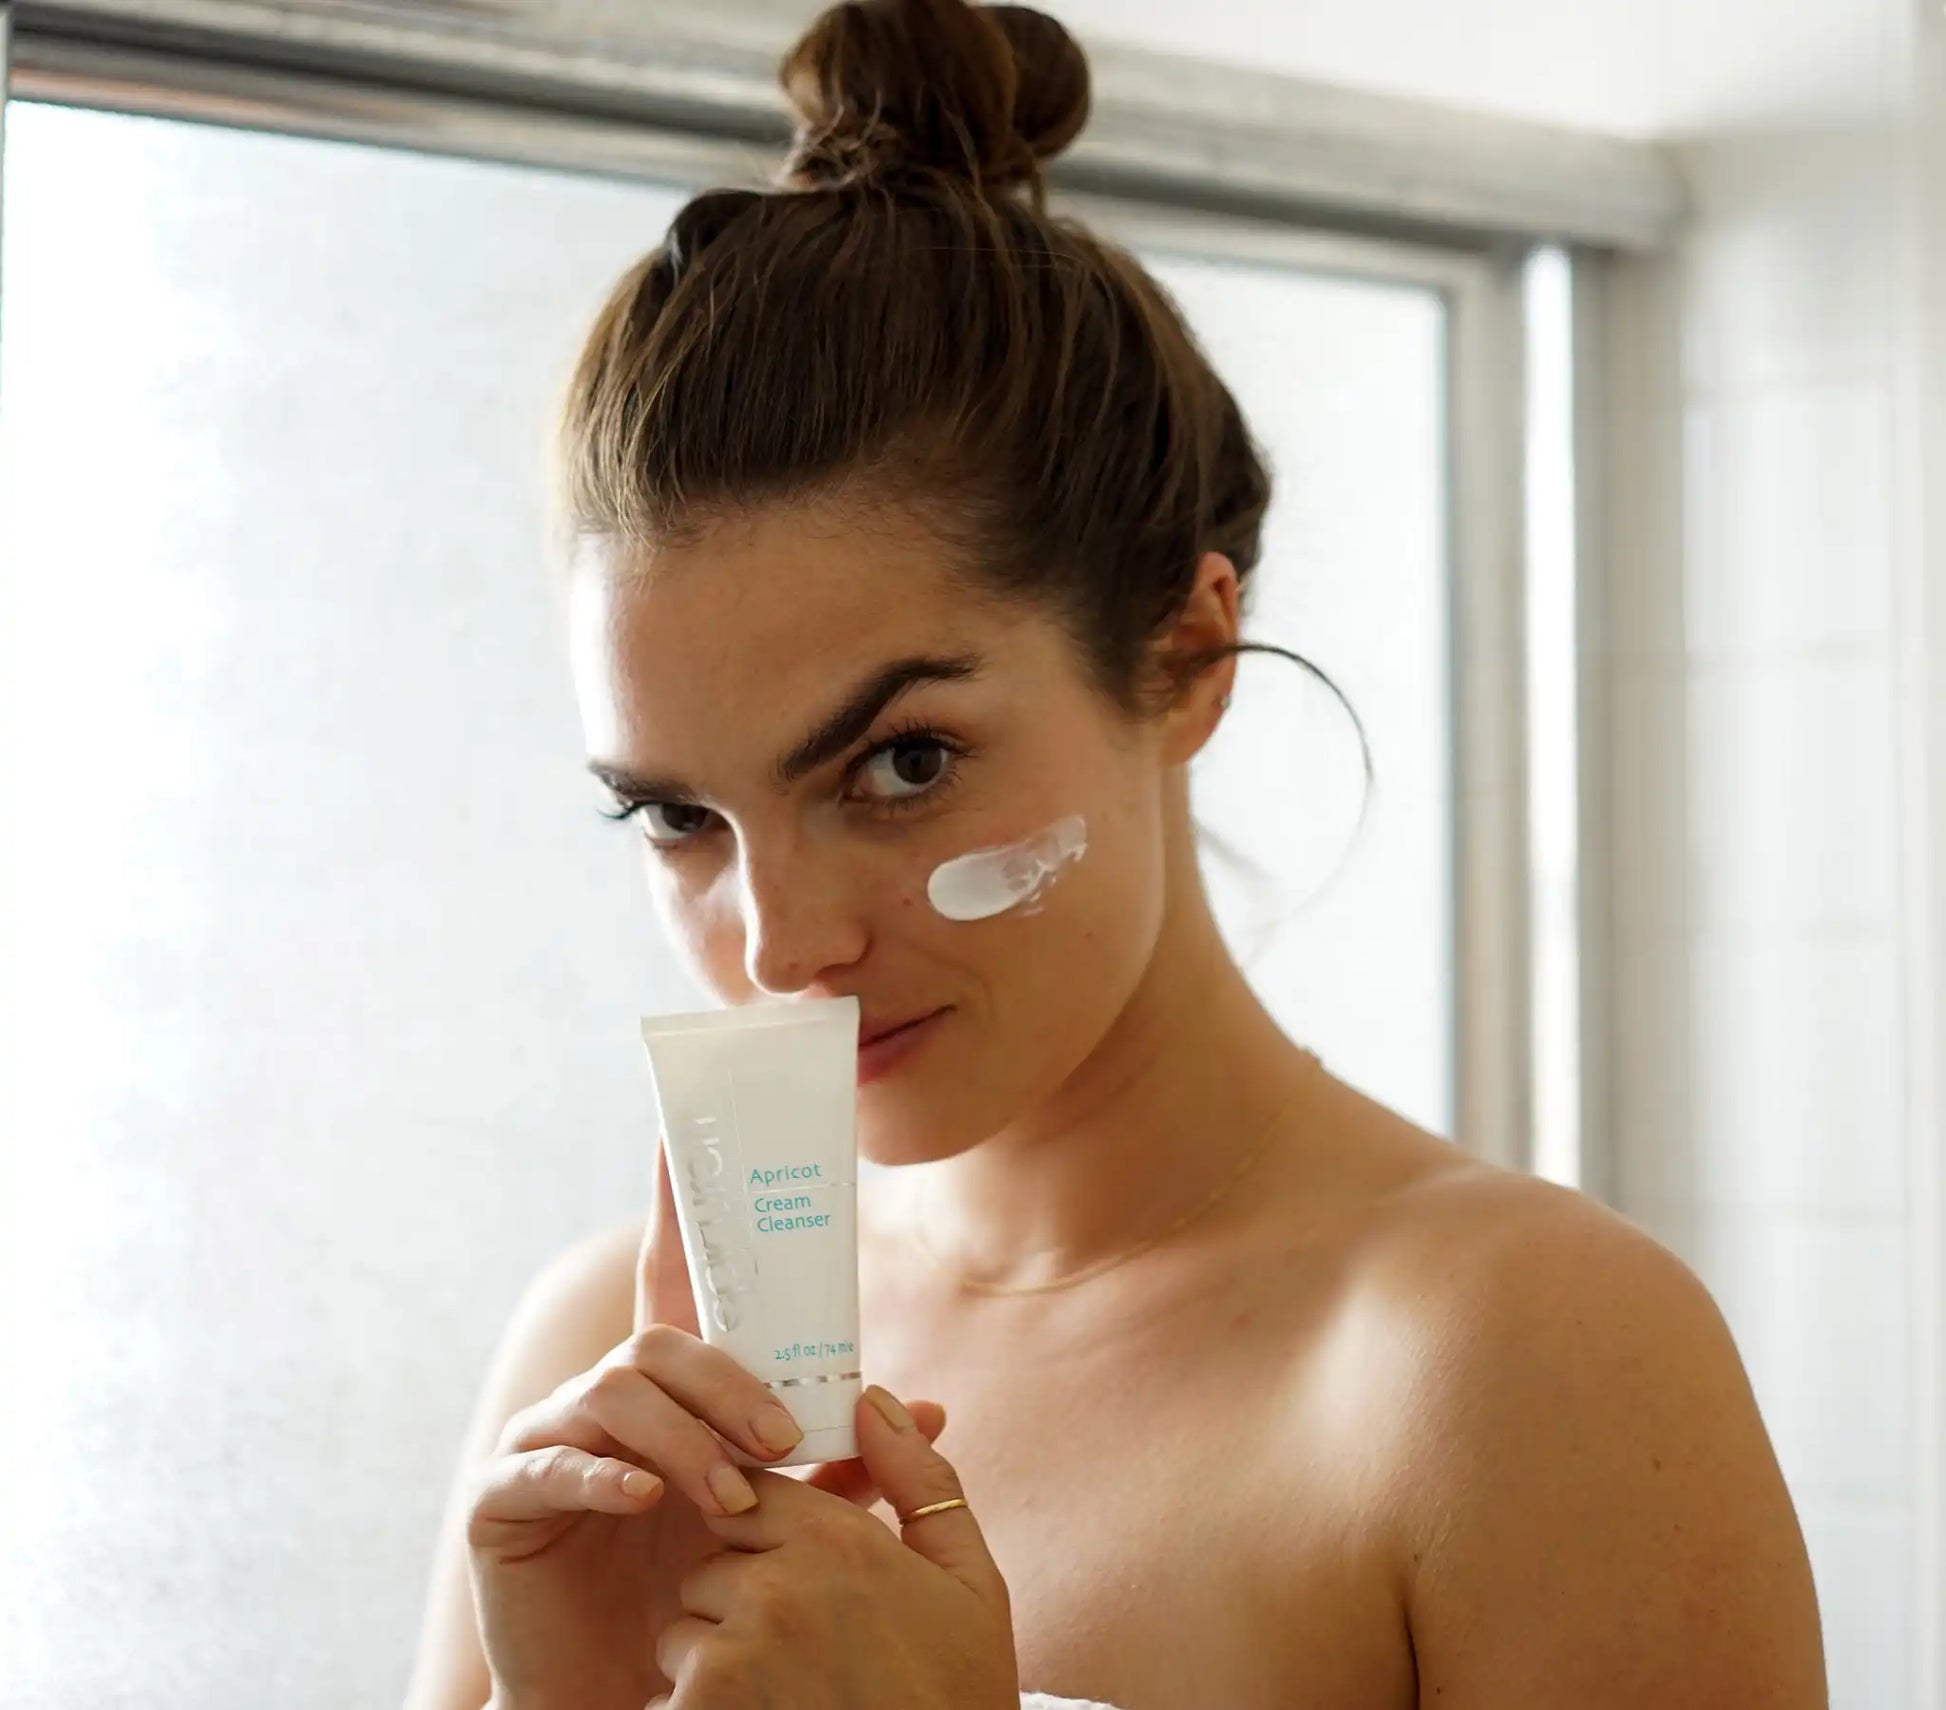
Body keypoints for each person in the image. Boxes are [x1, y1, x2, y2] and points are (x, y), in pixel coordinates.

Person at [403, 1, 1828, 1704]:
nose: (780, 946)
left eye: (901, 762)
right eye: (678, 816)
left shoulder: (1521, 1366)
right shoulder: (609, 1376)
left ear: (1185, 656)